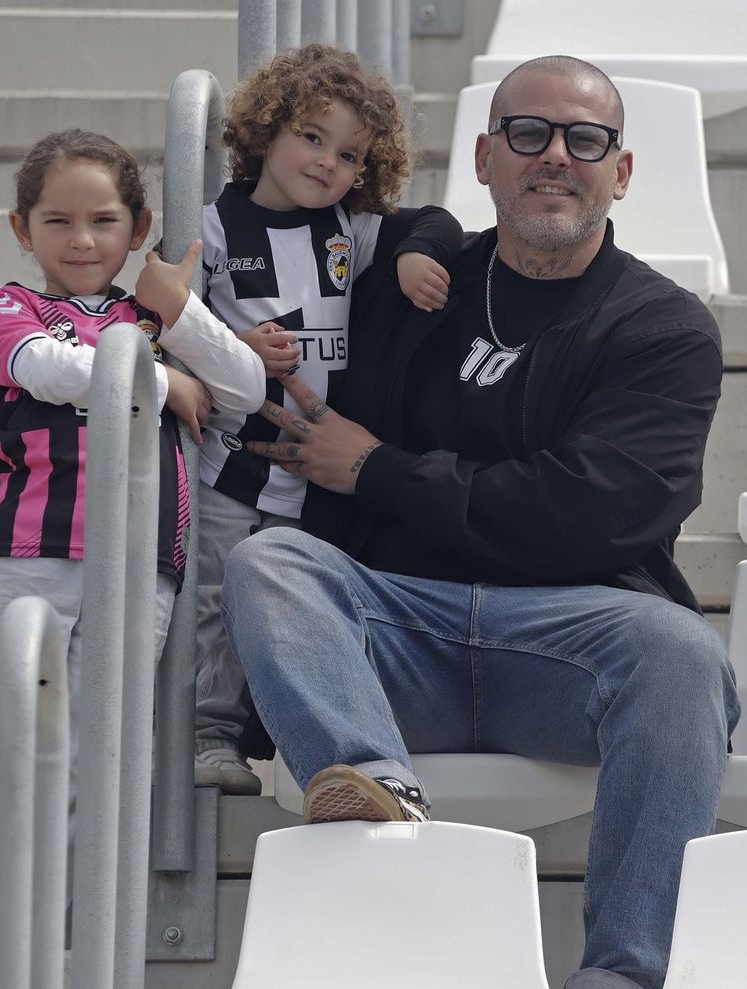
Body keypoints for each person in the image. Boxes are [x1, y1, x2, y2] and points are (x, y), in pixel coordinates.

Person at [221, 56, 737, 989]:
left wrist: (378, 468)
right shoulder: (412, 284)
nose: (555, 157)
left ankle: (624, 972)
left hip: (568, 643)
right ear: (485, 157)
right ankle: (372, 788)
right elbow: (265, 217)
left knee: (681, 653)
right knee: (272, 564)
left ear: (619, 173)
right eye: (529, 135)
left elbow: (589, 513)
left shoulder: (664, 328)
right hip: (397, 631)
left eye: (586, 140)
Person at [0, 130, 265, 947]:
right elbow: (49, 368)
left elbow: (247, 389)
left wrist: (181, 317)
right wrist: (160, 375)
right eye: (57, 221)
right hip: (30, 556)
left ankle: (51, 924)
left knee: (94, 751)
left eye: (104, 220)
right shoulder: (12, 309)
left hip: (139, 565)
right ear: (21, 228)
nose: (82, 240)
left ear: (138, 224)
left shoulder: (154, 316)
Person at [191, 43, 463, 796]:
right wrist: (237, 348)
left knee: (282, 604)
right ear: (266, 130)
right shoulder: (213, 228)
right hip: (231, 461)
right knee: (212, 600)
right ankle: (208, 734)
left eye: (348, 154)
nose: (326, 162)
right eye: (311, 137)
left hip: (313, 474)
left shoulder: (351, 229)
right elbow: (166, 320)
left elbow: (435, 222)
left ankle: (280, 733)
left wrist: (413, 259)